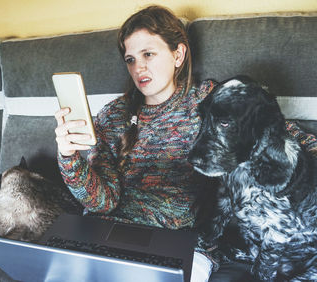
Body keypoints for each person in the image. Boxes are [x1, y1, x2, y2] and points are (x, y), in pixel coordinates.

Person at [54, 5, 317, 281]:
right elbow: (102, 201)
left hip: (179, 242)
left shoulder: (210, 100)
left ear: (178, 54)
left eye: (148, 54)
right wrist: (69, 156)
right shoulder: (112, 116)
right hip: (103, 233)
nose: (138, 67)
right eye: (130, 59)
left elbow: (277, 131)